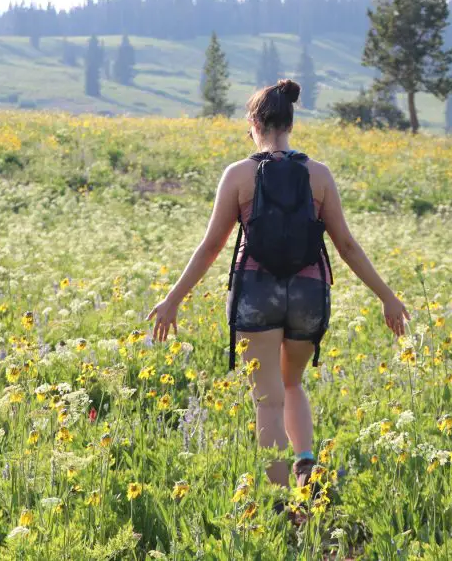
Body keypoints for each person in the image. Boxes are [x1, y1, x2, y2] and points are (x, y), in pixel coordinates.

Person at [147, 78, 409, 493]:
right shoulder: (318, 175)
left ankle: (280, 499)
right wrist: (388, 297)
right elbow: (346, 245)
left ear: (254, 123)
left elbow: (212, 246)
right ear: (290, 123)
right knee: (292, 384)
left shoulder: (239, 175)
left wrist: (171, 300)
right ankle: (305, 465)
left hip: (256, 292)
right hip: (309, 295)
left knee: (268, 400)